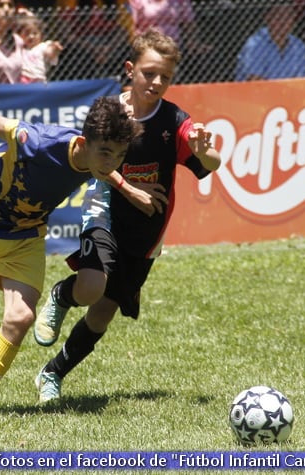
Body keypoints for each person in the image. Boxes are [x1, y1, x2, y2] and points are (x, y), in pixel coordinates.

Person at [0, 95, 144, 424]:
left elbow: (103, 170)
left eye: (119, 155)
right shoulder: (42, 142)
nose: (111, 162)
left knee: (20, 318)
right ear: (85, 142)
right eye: (105, 152)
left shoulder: (98, 160)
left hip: (26, 238)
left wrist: (128, 188)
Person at [31, 28, 221, 403]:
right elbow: (96, 164)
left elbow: (210, 164)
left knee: (101, 314)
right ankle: (60, 295)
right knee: (89, 288)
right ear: (130, 69)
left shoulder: (174, 121)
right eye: (149, 73)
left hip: (146, 233)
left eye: (165, 77)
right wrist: (129, 188)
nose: (157, 82)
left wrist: (204, 151)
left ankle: (53, 372)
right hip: (105, 212)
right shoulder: (110, 113)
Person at [234, 2, 305, 81]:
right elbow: (255, 81)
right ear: (267, 18)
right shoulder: (256, 44)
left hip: (288, 92)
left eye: (288, 17)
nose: (283, 22)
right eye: (278, 17)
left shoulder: (299, 45)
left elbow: (299, 80)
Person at [16, 11, 61, 83]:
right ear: (20, 35)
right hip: (23, 79)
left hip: (38, 80)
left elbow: (49, 52)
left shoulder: (42, 46)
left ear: (41, 34)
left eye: (35, 33)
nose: (31, 36)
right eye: (27, 33)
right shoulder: (20, 47)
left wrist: (54, 49)